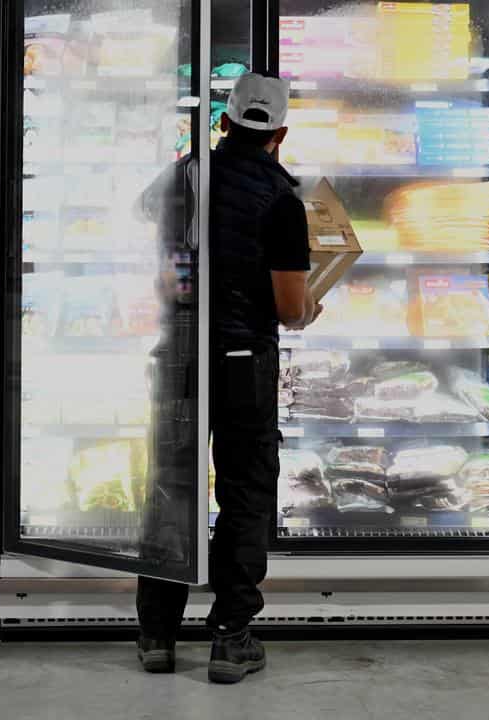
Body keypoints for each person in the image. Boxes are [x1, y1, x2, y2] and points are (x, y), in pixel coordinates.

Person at [135, 72, 321, 684]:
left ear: (224, 122)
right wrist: (309, 307)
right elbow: (291, 306)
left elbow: (166, 261)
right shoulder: (284, 199)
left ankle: (158, 634)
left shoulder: (185, 177)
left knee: (172, 483)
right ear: (281, 134)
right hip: (243, 362)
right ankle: (230, 636)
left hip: (182, 354)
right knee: (243, 491)